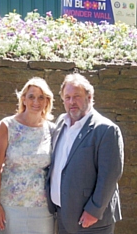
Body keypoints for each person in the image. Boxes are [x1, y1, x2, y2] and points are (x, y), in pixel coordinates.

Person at [46, 73, 124, 234]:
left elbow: (109, 176)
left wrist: (94, 211)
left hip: (91, 220)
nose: (71, 102)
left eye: (77, 96)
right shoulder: (61, 121)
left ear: (90, 97)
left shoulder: (106, 130)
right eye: (67, 97)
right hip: (63, 214)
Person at [0, 77, 56, 234]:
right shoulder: (8, 125)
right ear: (24, 99)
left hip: (42, 208)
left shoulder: (53, 130)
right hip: (9, 205)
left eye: (41, 97)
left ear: (47, 101)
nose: (36, 102)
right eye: (32, 96)